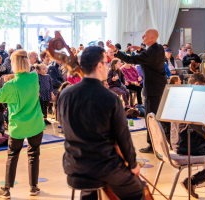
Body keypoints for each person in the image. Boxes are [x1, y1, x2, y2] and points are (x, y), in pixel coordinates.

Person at [57, 46, 144, 200]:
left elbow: (64, 125)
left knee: (89, 189)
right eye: (106, 63)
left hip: (73, 164)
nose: (108, 66)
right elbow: (123, 137)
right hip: (103, 165)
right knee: (137, 192)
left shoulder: (65, 93)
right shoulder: (110, 98)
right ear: (99, 66)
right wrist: (132, 164)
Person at [0, 50, 45, 198]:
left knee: (12, 155)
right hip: (35, 123)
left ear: (13, 63)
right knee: (34, 154)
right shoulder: (34, 77)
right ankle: (33, 187)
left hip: (18, 126)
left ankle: (7, 190)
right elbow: (26, 77)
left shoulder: (10, 85)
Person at [107, 28, 169, 153]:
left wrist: (115, 50)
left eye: (145, 36)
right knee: (159, 116)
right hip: (160, 87)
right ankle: (165, 142)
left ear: (152, 38)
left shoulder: (149, 53)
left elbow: (130, 59)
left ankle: (153, 145)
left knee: (150, 117)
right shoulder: (159, 48)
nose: (142, 38)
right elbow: (147, 54)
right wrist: (140, 49)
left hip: (152, 89)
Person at [170, 73, 205, 198]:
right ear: (197, 84)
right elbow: (193, 122)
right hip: (188, 144)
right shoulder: (191, 98)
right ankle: (191, 181)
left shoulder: (180, 95)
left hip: (176, 142)